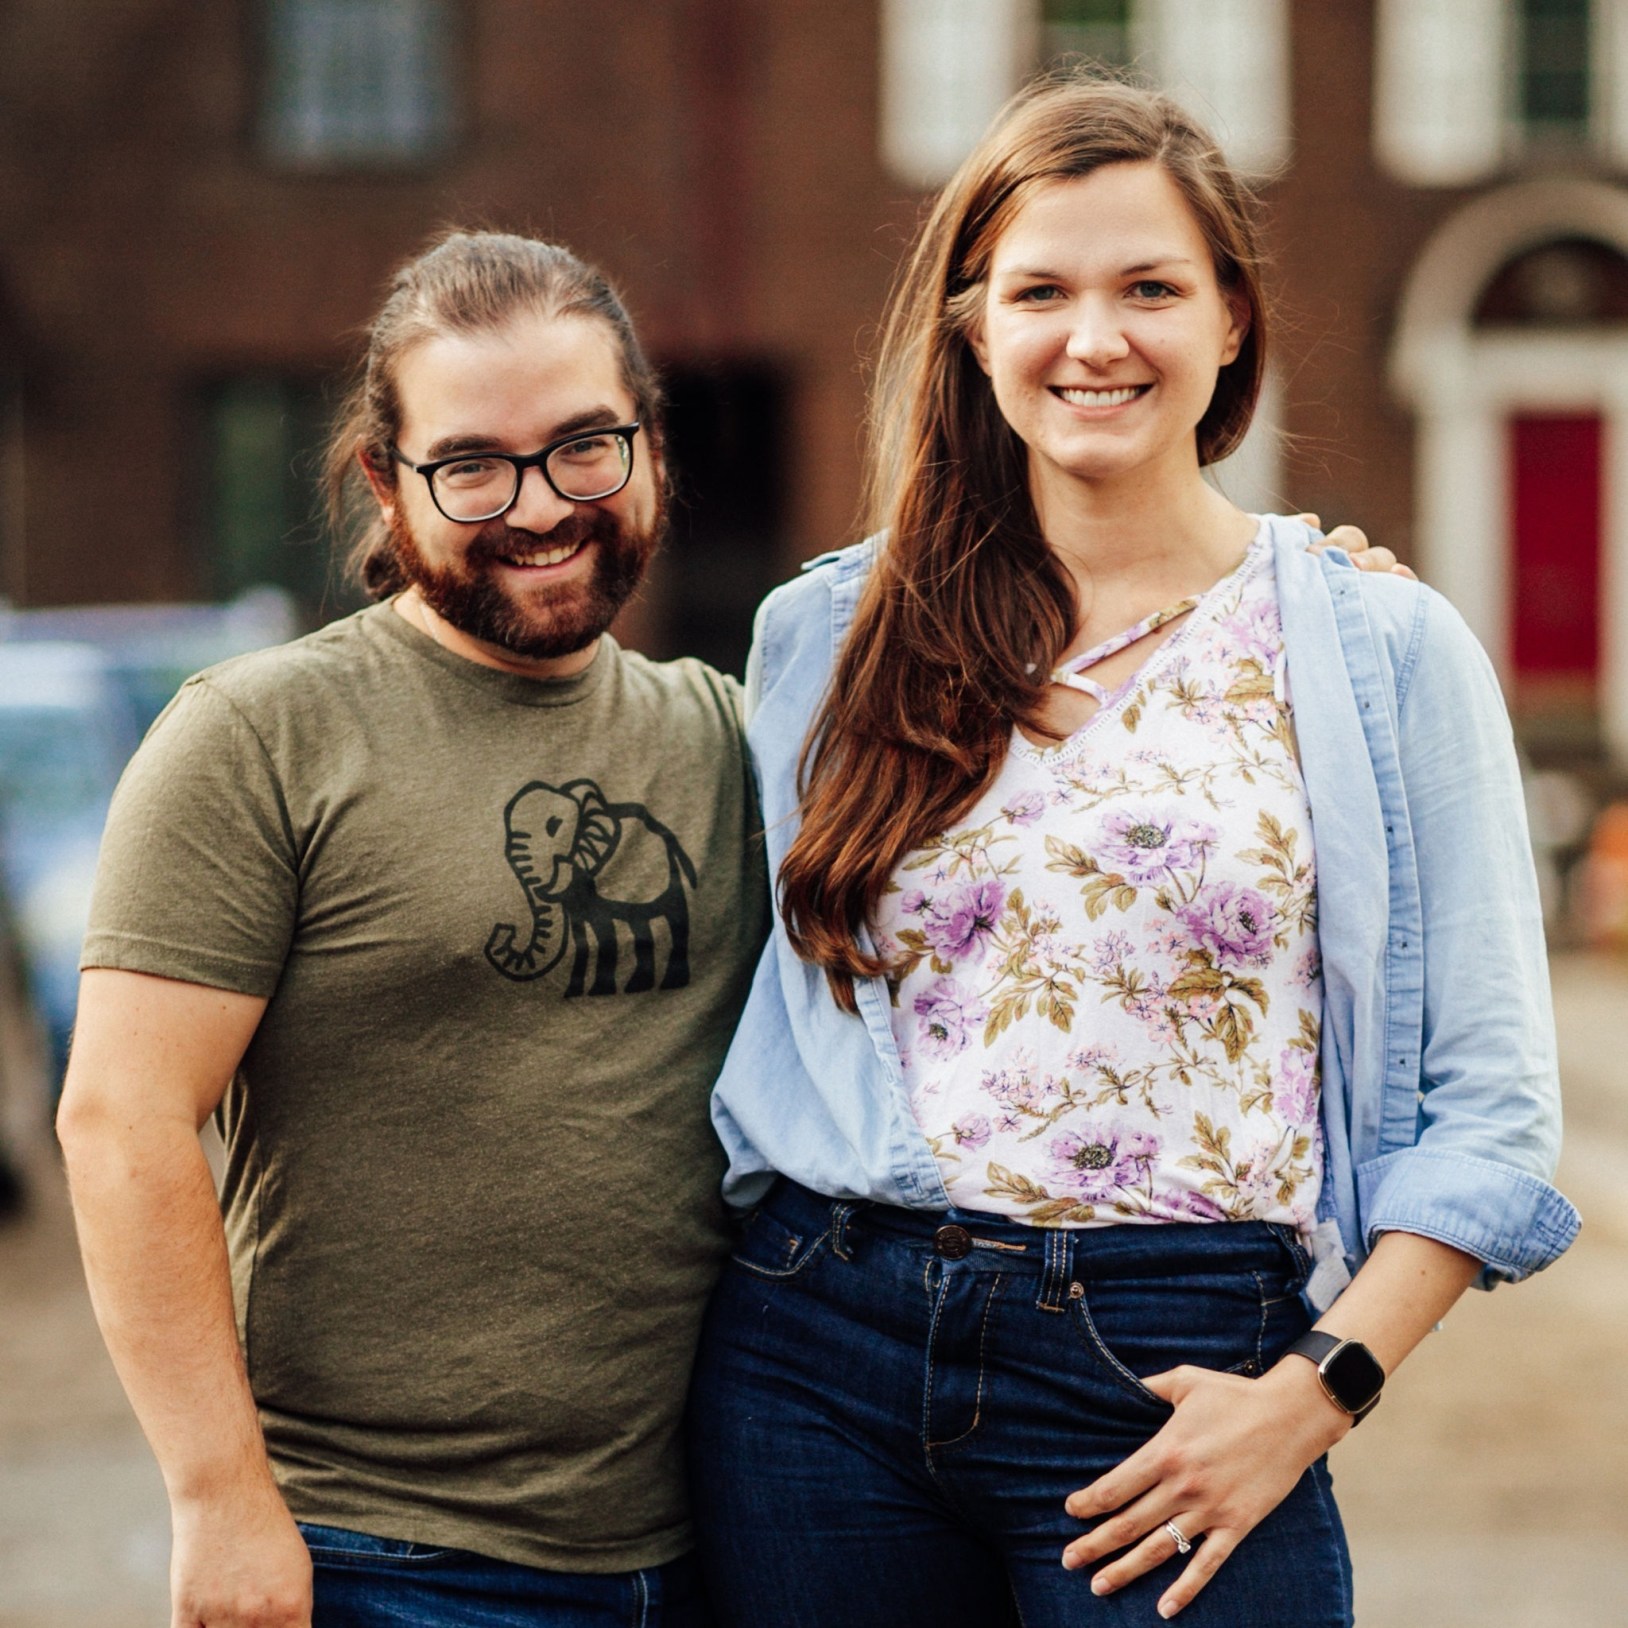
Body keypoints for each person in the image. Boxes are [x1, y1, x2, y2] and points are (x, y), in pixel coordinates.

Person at [688, 73, 1580, 1628]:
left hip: (1178, 1362)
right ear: (975, 326)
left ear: (1232, 319)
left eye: (1150, 288)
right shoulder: (829, 634)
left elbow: (1492, 1111)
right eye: (1040, 290)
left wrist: (1314, 1393)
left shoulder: (1382, 648)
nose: (1093, 339)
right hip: (815, 1354)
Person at [55, 231, 767, 1628]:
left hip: (705, 1545)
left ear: (649, 448)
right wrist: (219, 1497)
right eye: (473, 465)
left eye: (583, 447)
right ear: (387, 482)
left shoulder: (729, 735)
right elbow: (120, 1120)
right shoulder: (258, 737)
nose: (541, 505)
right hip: (380, 1555)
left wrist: (1299, 591)